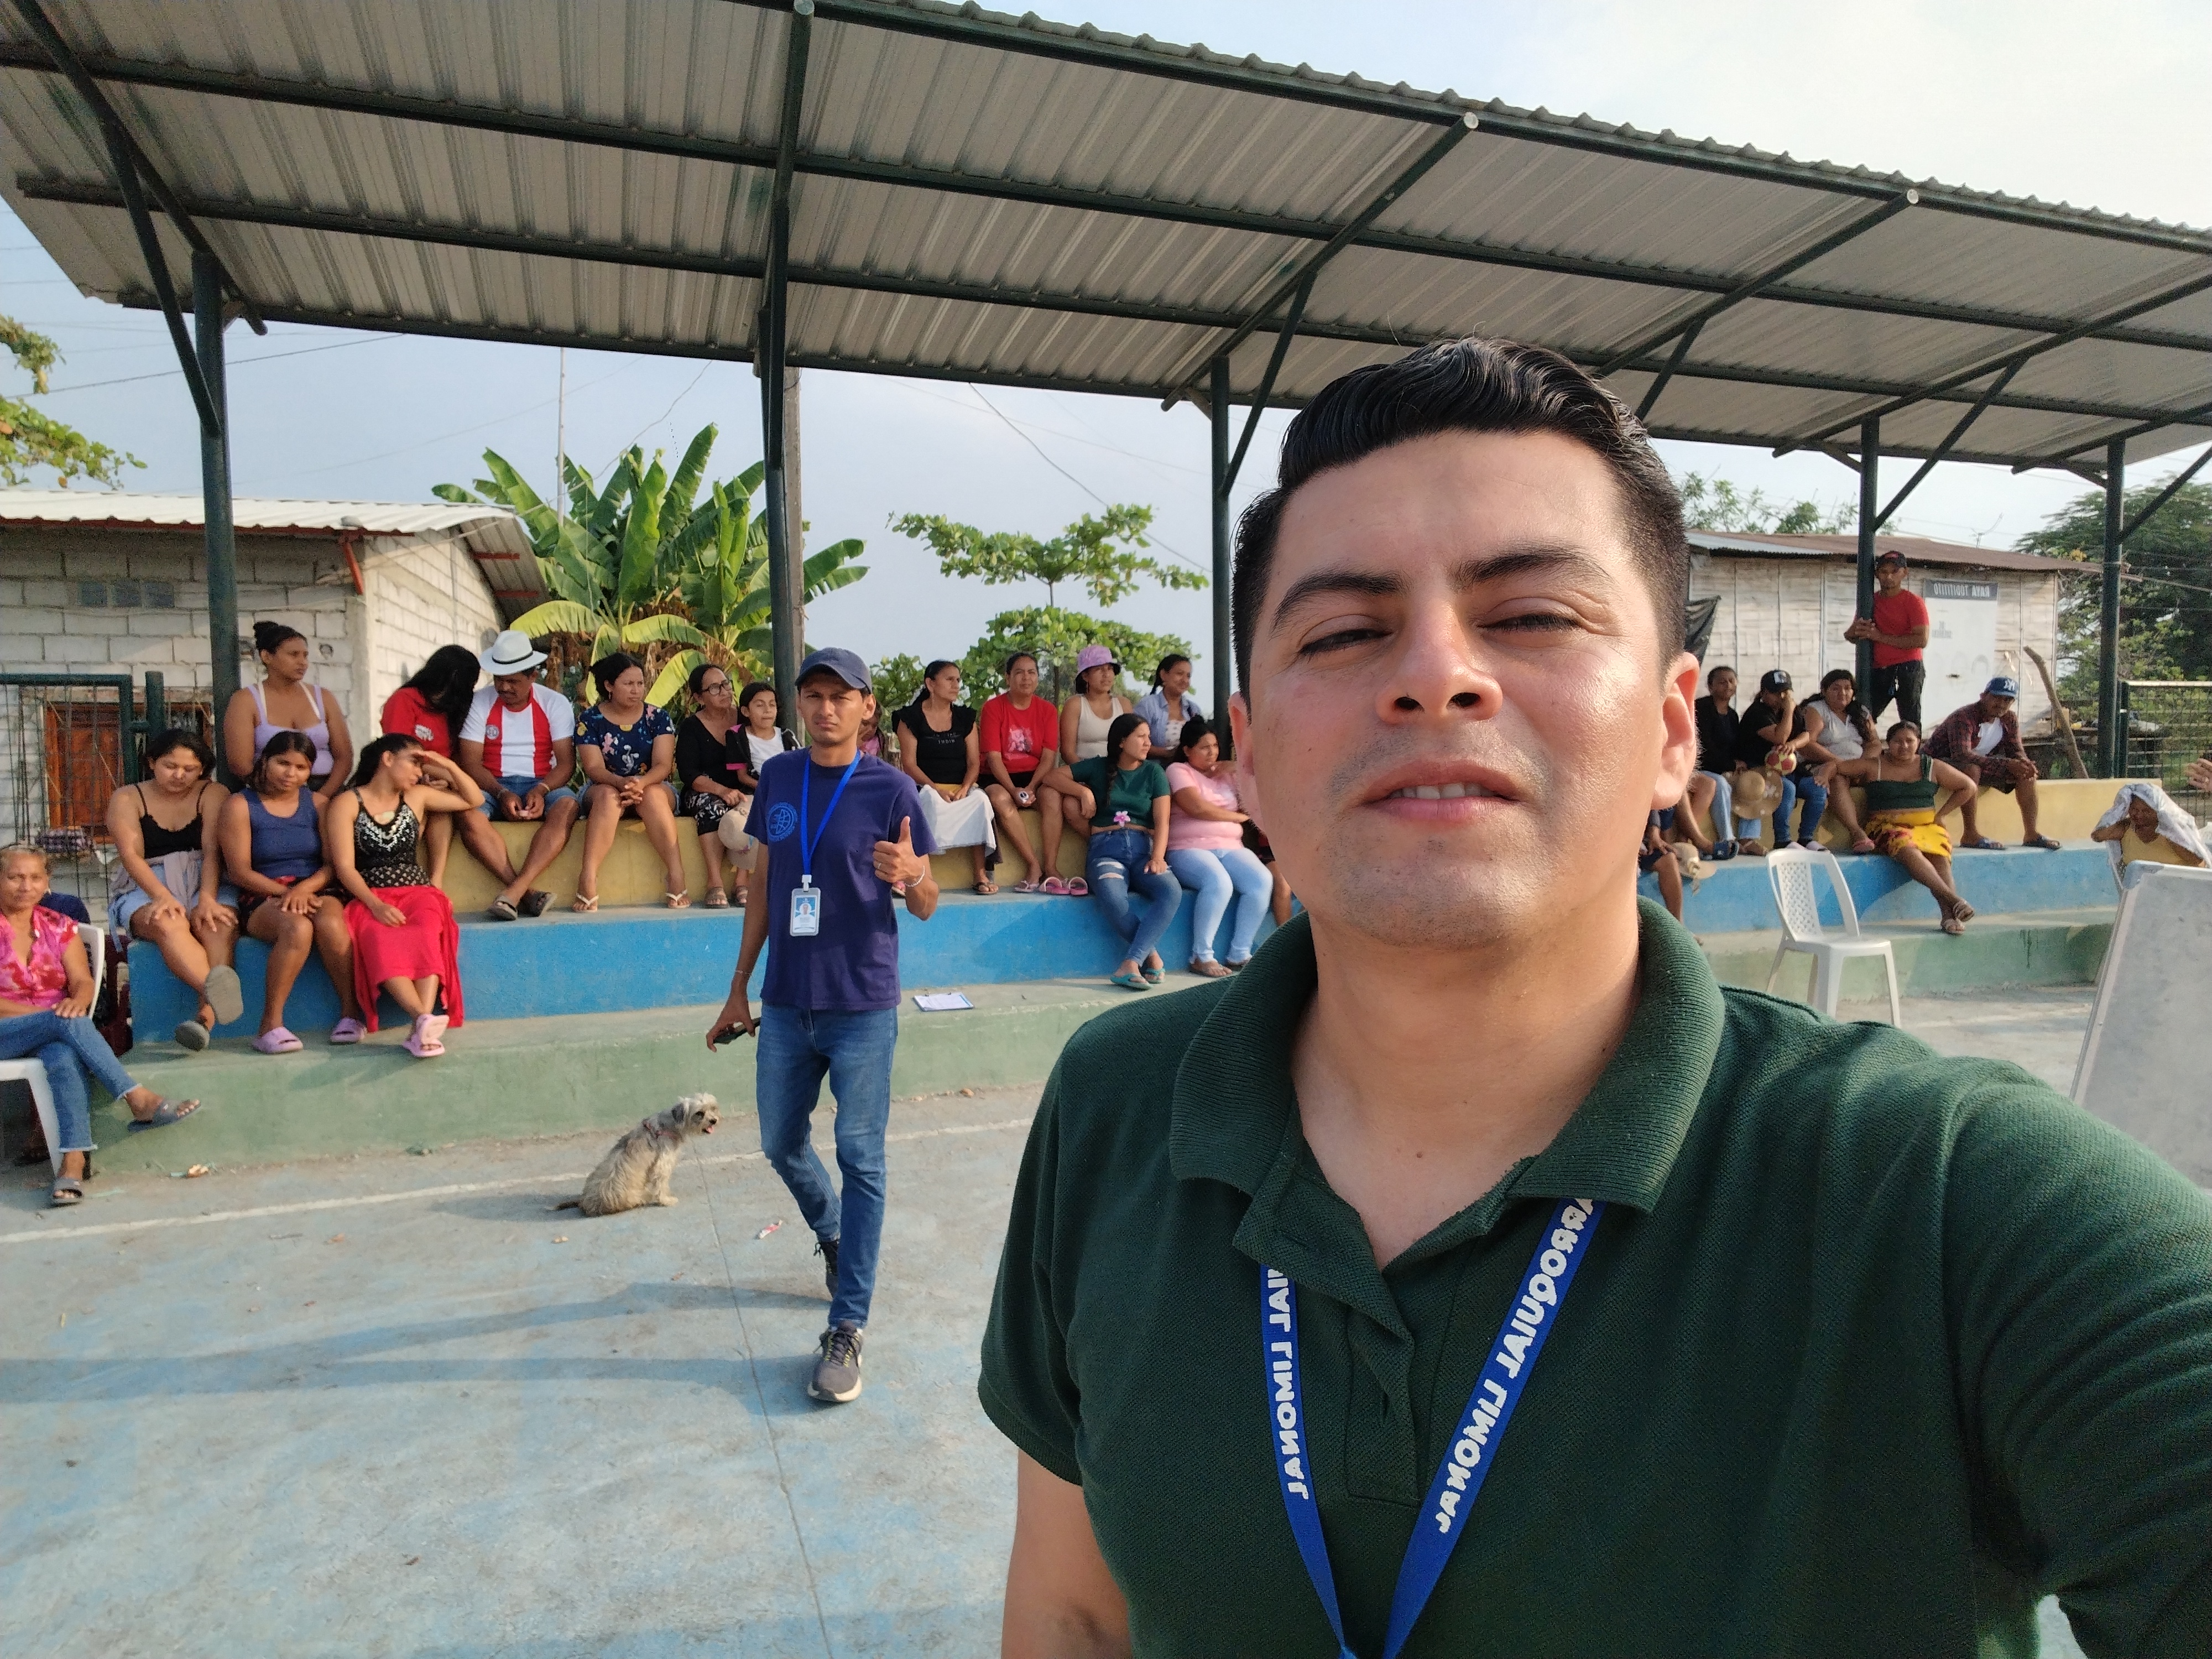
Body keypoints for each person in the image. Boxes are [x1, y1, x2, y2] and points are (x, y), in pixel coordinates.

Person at [982, 338, 2212, 1656]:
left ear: (1674, 731)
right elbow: (1073, 1610)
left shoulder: (1944, 1196)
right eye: (1341, 633)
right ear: (1251, 761)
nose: (1433, 672)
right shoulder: (1116, 1105)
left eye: (1531, 617)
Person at [705, 648, 940, 1406]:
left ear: (868, 707)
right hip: (786, 1001)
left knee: (860, 1155)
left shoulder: (892, 789)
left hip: (862, 1003)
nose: (826, 708)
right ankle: (831, 1231)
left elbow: (928, 900)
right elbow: (766, 885)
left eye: (842, 696)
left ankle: (847, 1326)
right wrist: (738, 989)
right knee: (780, 1141)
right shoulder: (778, 778)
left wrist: (912, 876)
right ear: (800, 705)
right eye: (813, 695)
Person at [2, 843, 203, 1206]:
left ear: (47, 882)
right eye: (14, 877)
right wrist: (56, 1016)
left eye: (35, 878)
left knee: (63, 1056)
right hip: (8, 1031)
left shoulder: (58, 926)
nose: (25, 886)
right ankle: (137, 1098)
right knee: (66, 1026)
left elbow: (82, 981)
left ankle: (73, 1164)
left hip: (54, 1027)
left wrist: (78, 1002)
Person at [327, 735, 482, 1057]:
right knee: (378, 936)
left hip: (419, 892)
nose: (419, 771)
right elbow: (344, 867)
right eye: (414, 761)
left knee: (427, 931)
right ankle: (422, 1020)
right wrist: (375, 905)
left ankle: (421, 1025)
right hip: (370, 895)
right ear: (387, 759)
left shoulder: (417, 797)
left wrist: (447, 765)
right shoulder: (347, 803)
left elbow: (474, 798)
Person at [218, 732, 363, 1051]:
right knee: (297, 928)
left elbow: (332, 864)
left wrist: (304, 890)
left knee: (330, 923)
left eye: (301, 767)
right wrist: (286, 894)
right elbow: (239, 871)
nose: (291, 773)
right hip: (262, 893)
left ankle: (351, 1015)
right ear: (265, 761)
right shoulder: (240, 805)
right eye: (283, 763)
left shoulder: (319, 804)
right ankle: (270, 1026)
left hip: (315, 888)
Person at [102, 728, 242, 1050]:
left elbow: (213, 851)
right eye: (170, 766)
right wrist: (162, 896)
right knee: (168, 923)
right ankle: (215, 998)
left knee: (218, 923)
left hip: (205, 875)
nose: (179, 775)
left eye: (190, 769)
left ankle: (203, 1020)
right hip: (147, 881)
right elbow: (131, 857)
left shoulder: (213, 793)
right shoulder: (127, 798)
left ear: (202, 770)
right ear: (152, 762)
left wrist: (207, 898)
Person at [456, 630, 583, 921]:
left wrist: (541, 790)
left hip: (544, 781)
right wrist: (501, 793)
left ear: (533, 676)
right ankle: (525, 892)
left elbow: (566, 764)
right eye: (499, 679)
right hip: (491, 784)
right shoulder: (480, 702)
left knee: (568, 806)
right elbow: (471, 762)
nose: (504, 687)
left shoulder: (555, 703)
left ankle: (514, 891)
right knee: (467, 814)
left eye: (513, 681)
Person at [1060, 712, 1180, 990]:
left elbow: (1163, 821)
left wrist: (1158, 857)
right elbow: (1054, 777)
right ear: (1122, 741)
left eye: (1149, 737)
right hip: (1106, 852)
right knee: (1113, 897)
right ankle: (1149, 956)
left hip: (1143, 853)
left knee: (1171, 891)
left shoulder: (1155, 773)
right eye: (1141, 737)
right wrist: (1083, 792)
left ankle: (1131, 962)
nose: (1148, 743)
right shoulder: (1098, 767)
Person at [1831, 721, 1981, 935]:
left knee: (1940, 859)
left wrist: (1941, 815)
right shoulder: (1874, 765)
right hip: (1886, 827)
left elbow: (1968, 787)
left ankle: (1949, 915)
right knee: (1909, 850)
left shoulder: (1932, 766)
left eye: (1910, 741)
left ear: (1918, 742)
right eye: (1898, 742)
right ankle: (1954, 900)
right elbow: (1838, 768)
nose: (1904, 746)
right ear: (1888, 743)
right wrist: (1826, 770)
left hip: (1927, 827)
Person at [575, 651, 687, 911]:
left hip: (651, 785)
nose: (637, 690)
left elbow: (663, 765)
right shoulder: (590, 720)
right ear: (609, 686)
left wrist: (641, 783)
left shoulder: (658, 718)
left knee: (653, 796)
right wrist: (621, 783)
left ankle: (676, 874)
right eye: (628, 684)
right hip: (604, 786)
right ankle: (588, 877)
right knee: (607, 797)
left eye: (640, 683)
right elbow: (593, 768)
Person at [1164, 717, 1270, 977]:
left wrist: (1237, 769)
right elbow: (1196, 807)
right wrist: (1238, 818)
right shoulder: (1178, 770)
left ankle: (1240, 953)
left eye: (1214, 746)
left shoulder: (1226, 775)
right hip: (1187, 848)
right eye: (1204, 747)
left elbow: (1254, 803)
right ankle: (1201, 956)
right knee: (1219, 882)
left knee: (1261, 881)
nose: (1212, 752)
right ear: (1187, 750)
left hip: (1231, 847)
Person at [381, 644, 483, 886]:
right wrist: (442, 775)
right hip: (401, 776)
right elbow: (398, 751)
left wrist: (443, 779)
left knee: (442, 807)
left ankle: (435, 881)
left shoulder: (453, 710)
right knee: (422, 802)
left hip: (439, 781)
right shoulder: (405, 700)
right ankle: (396, 868)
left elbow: (456, 756)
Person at [894, 660, 998, 895]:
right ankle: (918, 875)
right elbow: (909, 764)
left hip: (960, 786)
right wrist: (935, 788)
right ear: (930, 684)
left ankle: (980, 874)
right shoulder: (909, 718)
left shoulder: (965, 718)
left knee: (981, 801)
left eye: (958, 680)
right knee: (930, 800)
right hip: (925, 786)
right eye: (949, 679)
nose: (956, 685)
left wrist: (965, 788)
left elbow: (974, 763)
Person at [1924, 676, 2063, 852]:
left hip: (1977, 765)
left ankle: (2031, 834)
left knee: (2025, 774)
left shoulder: (2009, 719)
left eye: (2007, 700)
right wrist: (2006, 764)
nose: (2001, 704)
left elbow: (2016, 749)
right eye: (1996, 698)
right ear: (1983, 696)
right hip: (1937, 766)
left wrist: (2025, 764)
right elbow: (1962, 755)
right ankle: (1970, 834)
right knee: (1972, 769)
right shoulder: (1964, 717)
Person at [221, 620, 353, 799]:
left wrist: (322, 797)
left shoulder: (323, 697)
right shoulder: (246, 700)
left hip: (325, 789)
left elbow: (344, 757)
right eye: (294, 655)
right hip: (269, 791)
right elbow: (240, 764)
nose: (303, 663)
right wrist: (281, 798)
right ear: (267, 656)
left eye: (305, 656)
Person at [980, 651, 1070, 894]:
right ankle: (1033, 865)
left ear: (1038, 678)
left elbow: (1049, 756)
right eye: (1019, 672)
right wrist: (1013, 790)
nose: (1026, 678)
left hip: (1035, 777)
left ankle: (1051, 867)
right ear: (1008, 677)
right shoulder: (993, 708)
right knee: (1000, 799)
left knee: (1052, 797)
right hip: (999, 776)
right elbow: (993, 758)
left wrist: (1031, 788)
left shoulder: (1047, 710)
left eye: (1032, 672)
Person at [675, 661, 752, 908]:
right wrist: (721, 790)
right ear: (699, 697)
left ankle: (742, 880)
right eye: (715, 688)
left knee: (753, 806)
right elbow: (689, 774)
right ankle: (715, 882)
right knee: (713, 807)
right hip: (704, 790)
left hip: (743, 787)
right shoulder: (691, 727)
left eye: (726, 685)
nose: (725, 692)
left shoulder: (745, 718)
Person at [1735, 669, 1828, 849]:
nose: (1782, 698)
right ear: (1764, 693)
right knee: (1787, 789)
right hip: (1760, 769)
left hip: (1788, 770)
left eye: (1785, 693)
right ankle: (1783, 840)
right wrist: (1789, 711)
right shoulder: (1757, 713)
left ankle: (1806, 838)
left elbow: (1806, 735)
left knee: (1817, 789)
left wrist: (1794, 744)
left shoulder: (1792, 711)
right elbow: (1780, 737)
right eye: (1776, 693)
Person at [1844, 549, 1930, 727]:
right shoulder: (1870, 601)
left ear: (1905, 573)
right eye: (1884, 572)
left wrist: (1878, 636)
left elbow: (1921, 640)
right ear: (1877, 574)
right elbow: (1854, 635)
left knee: (1910, 720)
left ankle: (1911, 745)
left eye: (1894, 572)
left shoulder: (1913, 602)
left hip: (1908, 667)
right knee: (1863, 717)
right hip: (1880, 668)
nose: (1889, 577)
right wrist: (1855, 631)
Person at [1799, 669, 1879, 853]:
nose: (1842, 693)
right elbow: (1809, 743)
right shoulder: (1816, 709)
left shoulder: (1861, 712)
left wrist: (1862, 764)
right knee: (1837, 779)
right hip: (1822, 764)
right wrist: (1840, 763)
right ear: (1824, 690)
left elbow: (1874, 743)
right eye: (1835, 688)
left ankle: (1883, 830)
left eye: (1847, 688)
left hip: (1858, 766)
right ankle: (1857, 833)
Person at [2090, 782, 2210, 888]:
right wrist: (2118, 812)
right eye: (2134, 810)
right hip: (2142, 893)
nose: (2139, 815)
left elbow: (2198, 863)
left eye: (2146, 811)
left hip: (2179, 891)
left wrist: (2169, 827)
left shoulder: (2172, 834)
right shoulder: (2126, 828)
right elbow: (2098, 836)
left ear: (2158, 811)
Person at [1689, 665, 1746, 857]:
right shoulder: (1701, 709)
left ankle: (1746, 838)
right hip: (1698, 767)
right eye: (1722, 682)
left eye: (1731, 681)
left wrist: (1739, 764)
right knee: (1720, 783)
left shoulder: (1732, 715)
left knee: (1749, 785)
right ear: (1710, 686)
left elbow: (1735, 748)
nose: (1728, 685)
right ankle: (1727, 840)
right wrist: (1730, 766)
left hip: (1719, 768)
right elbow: (1705, 748)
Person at [1060, 644, 1132, 764]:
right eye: (1099, 669)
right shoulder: (1075, 705)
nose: (1106, 674)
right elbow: (1067, 752)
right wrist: (1087, 773)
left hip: (1118, 771)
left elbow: (1132, 745)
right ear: (1085, 676)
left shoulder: (1124, 704)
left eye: (1110, 669)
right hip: (1083, 770)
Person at [731, 681, 800, 792]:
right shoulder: (738, 737)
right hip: (758, 792)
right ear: (746, 711)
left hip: (789, 789)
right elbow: (743, 777)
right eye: (760, 705)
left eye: (772, 705)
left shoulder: (787, 736)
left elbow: (800, 767)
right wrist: (767, 789)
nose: (767, 710)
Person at [1134, 653, 1204, 755]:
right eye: (1180, 674)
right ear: (1164, 675)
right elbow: (1135, 742)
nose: (1185, 680)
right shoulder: (1148, 705)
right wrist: (1168, 754)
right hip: (1157, 764)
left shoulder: (1194, 709)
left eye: (1188, 676)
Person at [1640, 808, 1685, 921]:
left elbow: (1652, 804)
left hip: (1638, 841)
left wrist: (1654, 835)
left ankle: (1677, 925)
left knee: (1668, 858)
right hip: (1613, 845)